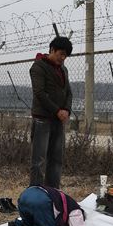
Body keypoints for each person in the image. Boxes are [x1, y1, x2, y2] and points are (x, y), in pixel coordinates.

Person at [29, 36, 73, 189]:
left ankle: (53, 192)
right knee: (39, 161)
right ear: (52, 50)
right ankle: (35, 194)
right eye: (61, 54)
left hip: (58, 120)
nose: (63, 58)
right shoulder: (38, 67)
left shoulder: (63, 70)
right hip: (42, 120)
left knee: (56, 159)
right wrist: (57, 111)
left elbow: (68, 92)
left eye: (65, 56)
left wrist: (66, 110)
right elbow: (40, 93)